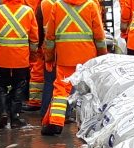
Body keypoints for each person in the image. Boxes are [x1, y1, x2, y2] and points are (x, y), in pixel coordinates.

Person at [39, 0, 107, 136]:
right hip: (87, 57)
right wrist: (102, 57)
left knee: (61, 90)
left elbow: (50, 36)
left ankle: (56, 122)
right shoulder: (91, 5)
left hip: (65, 56)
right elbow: (99, 35)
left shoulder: (57, 6)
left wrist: (49, 57)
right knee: (87, 91)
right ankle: (88, 124)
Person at [0, 0, 39, 129]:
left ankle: (3, 112)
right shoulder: (28, 11)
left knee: (0, 84)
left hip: (2, 57)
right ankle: (15, 118)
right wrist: (33, 56)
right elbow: (34, 38)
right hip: (21, 58)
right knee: (19, 85)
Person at [24, 0, 49, 112]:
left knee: (37, 71)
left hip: (38, 40)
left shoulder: (42, 5)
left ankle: (35, 101)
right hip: (50, 43)